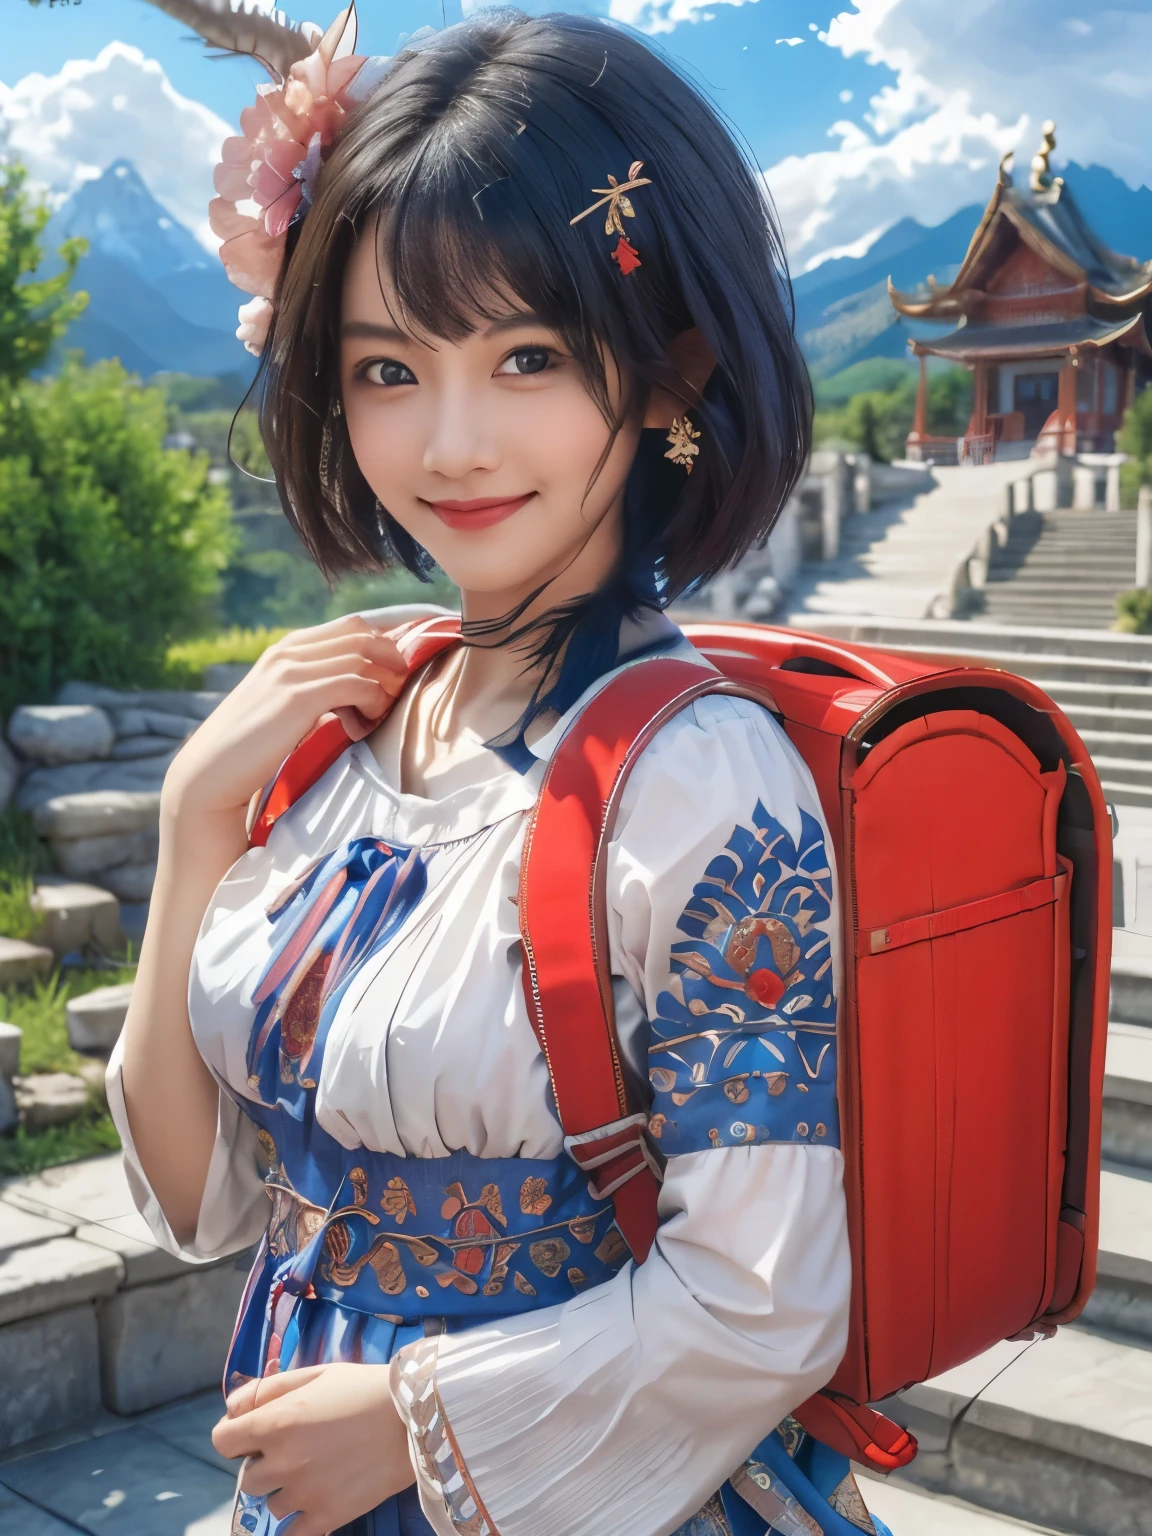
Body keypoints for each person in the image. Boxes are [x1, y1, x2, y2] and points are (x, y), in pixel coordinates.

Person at [108, 9, 891, 1534]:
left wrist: (408, 1424)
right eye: (389, 369)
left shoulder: (697, 781)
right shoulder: (351, 728)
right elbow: (207, 1201)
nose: (451, 444)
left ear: (669, 375)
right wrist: (192, 818)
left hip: (558, 1486)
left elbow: (769, 1298)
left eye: (528, 354)